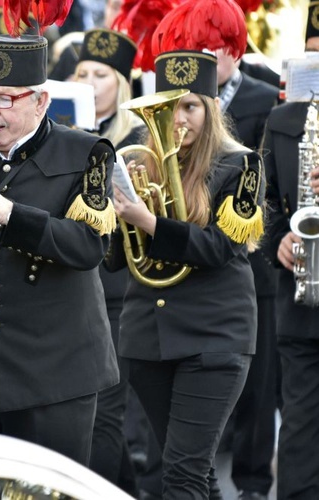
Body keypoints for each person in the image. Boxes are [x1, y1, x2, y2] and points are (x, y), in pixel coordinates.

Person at [0, 33, 119, 465]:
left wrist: (12, 214)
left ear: (41, 101)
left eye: (5, 99)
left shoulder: (87, 153)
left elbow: (88, 247)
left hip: (56, 373)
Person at [110, 46, 265, 498]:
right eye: (171, 106)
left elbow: (219, 248)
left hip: (215, 335)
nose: (179, 119)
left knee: (181, 472)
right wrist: (111, 214)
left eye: (191, 106)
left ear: (212, 109)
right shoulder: (137, 158)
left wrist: (149, 221)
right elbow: (117, 258)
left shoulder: (241, 165)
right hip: (149, 336)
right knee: (192, 471)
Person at [72, 27, 140, 495]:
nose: (91, 83)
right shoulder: (58, 130)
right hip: (68, 283)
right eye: (81, 74)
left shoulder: (135, 133)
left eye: (101, 74)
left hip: (115, 288)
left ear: (120, 82)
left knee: (105, 411)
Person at [214, 46, 279, 500]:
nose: (206, 54)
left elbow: (269, 176)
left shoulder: (263, 95)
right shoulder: (184, 94)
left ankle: (254, 482)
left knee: (259, 379)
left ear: (236, 49)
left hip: (254, 257)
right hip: (201, 254)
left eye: (215, 45)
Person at [263, 8, 319, 498]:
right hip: (302, 299)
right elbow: (264, 203)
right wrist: (277, 236)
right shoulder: (283, 121)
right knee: (299, 429)